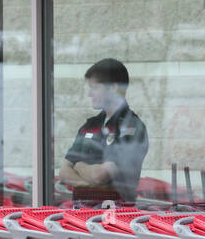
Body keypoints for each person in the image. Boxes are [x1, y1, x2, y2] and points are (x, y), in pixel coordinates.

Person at [60, 58, 149, 203]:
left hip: (113, 216)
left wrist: (78, 165)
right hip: (80, 216)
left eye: (94, 88)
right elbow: (64, 172)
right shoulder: (90, 125)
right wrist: (90, 184)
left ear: (113, 87)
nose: (90, 94)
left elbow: (101, 175)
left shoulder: (131, 127)